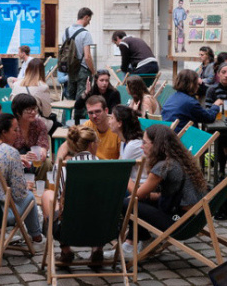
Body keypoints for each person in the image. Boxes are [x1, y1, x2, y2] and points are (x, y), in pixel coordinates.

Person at [120, 124, 208, 258]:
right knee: (142, 201)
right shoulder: (178, 160)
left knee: (127, 203)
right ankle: (132, 243)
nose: (141, 146)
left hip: (178, 223)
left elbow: (136, 195)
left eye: (144, 143)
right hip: (192, 218)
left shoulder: (164, 166)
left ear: (156, 145)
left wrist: (123, 174)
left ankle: (143, 240)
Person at [0, 113, 43, 243]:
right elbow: (19, 193)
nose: (18, 134)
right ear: (4, 132)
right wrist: (25, 186)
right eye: (15, 130)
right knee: (29, 196)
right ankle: (37, 238)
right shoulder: (10, 152)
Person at [41, 125, 101, 266]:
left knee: (48, 195)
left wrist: (59, 158)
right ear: (92, 144)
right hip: (102, 227)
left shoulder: (63, 167)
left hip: (68, 229)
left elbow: (58, 191)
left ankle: (66, 250)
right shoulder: (107, 167)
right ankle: (97, 247)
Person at [162, 69, 222, 133]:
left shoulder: (172, 97)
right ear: (192, 84)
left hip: (169, 135)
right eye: (197, 84)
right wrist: (215, 105)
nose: (198, 86)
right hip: (182, 139)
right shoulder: (190, 102)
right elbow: (209, 118)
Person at [63, 7, 96, 122]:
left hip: (70, 69)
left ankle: (65, 122)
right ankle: (79, 126)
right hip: (82, 70)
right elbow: (87, 56)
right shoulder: (85, 34)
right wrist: (93, 71)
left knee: (69, 99)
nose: (89, 22)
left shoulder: (66, 31)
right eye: (89, 19)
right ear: (85, 17)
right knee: (81, 99)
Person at [10, 93, 52, 180]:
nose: (33, 112)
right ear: (18, 112)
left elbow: (43, 145)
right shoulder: (10, 126)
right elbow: (4, 148)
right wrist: (20, 157)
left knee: (47, 163)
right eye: (28, 110)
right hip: (14, 159)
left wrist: (42, 153)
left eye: (34, 108)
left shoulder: (39, 124)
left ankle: (40, 187)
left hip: (34, 158)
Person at [11, 58, 55, 130]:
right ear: (42, 71)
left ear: (27, 69)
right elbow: (47, 113)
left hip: (18, 122)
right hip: (33, 121)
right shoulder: (42, 87)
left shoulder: (16, 84)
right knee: (57, 126)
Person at [109, 104, 145, 179]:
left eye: (112, 118)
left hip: (137, 185)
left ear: (119, 123)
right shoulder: (124, 141)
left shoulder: (132, 145)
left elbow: (120, 171)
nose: (109, 121)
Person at [79, 95, 120, 160]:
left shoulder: (117, 128)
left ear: (106, 111)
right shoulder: (87, 126)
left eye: (97, 111)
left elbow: (123, 158)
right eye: (90, 113)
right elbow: (66, 146)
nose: (94, 116)